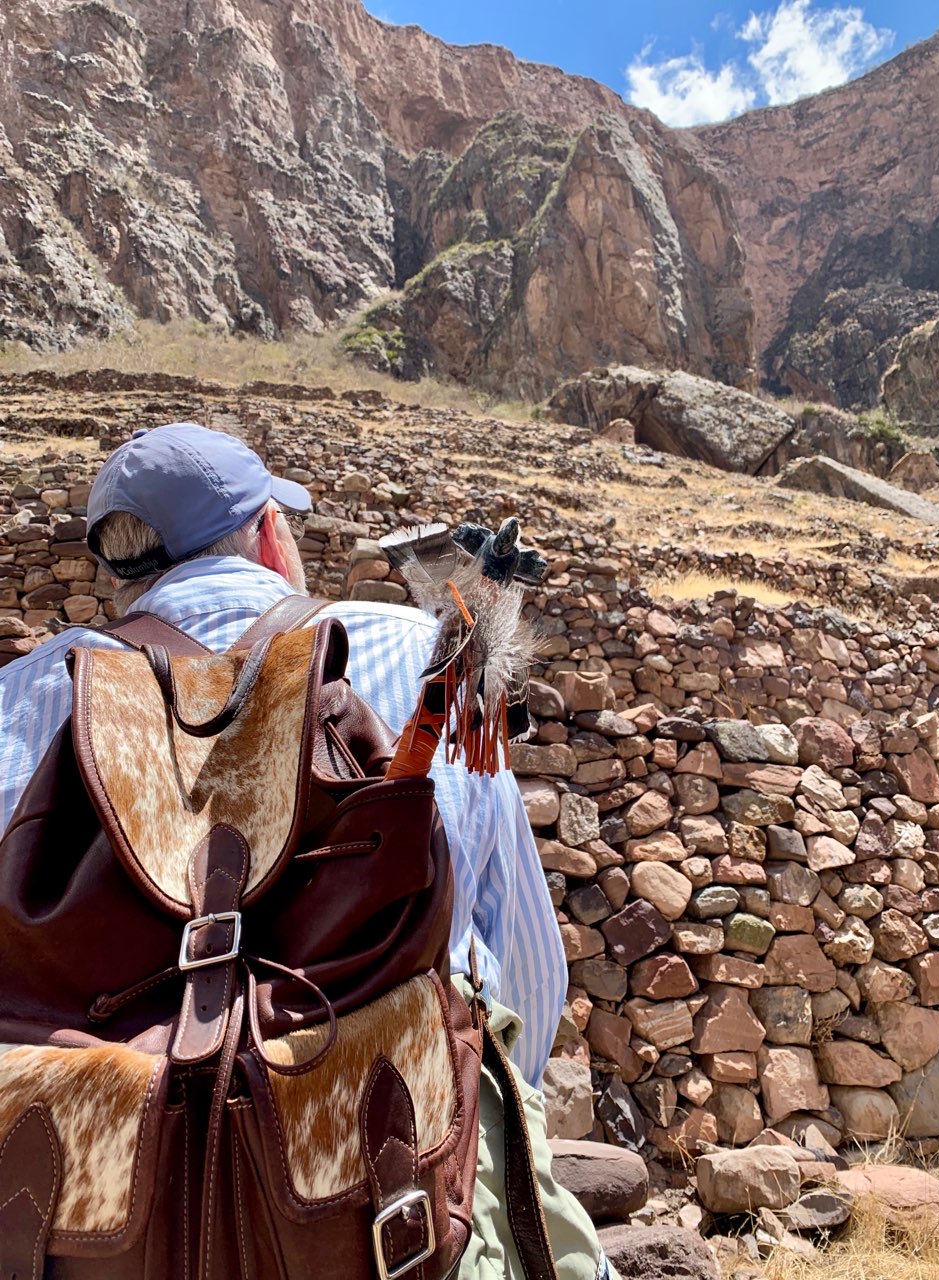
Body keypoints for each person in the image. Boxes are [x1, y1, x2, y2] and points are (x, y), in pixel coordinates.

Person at [0, 422, 615, 1279]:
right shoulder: (416, 651)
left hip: (81, 1206)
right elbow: (519, 963)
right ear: (268, 535)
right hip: (395, 1188)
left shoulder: (24, 699)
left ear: (115, 574)